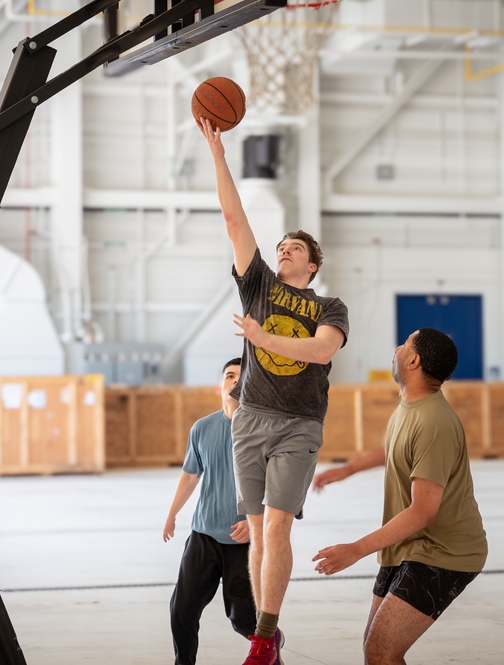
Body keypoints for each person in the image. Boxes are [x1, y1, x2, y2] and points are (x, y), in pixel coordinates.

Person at [199, 118, 350, 665]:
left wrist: (262, 337)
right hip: (252, 419)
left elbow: (322, 351)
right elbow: (233, 217)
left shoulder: (328, 309)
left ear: (311, 265)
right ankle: (270, 640)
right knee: (258, 537)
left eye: (294, 249)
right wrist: (217, 151)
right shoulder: (257, 283)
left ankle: (264, 637)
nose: (283, 251)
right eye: (280, 246)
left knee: (279, 529)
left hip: (298, 425)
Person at [311, 328, 488, 665]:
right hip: (410, 546)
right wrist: (348, 470)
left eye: (404, 343)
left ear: (413, 360)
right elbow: (395, 447)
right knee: (374, 649)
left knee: (381, 651)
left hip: (443, 551)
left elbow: (423, 512)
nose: (396, 348)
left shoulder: (434, 421)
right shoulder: (411, 406)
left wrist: (356, 550)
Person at [163, 358, 256, 665]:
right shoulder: (202, 428)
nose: (235, 381)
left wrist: (256, 523)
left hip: (242, 542)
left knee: (243, 619)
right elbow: (191, 475)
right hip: (203, 536)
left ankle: (268, 646)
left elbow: (280, 487)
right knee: (182, 610)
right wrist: (172, 513)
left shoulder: (262, 431)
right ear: (220, 385)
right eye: (229, 376)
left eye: (242, 377)